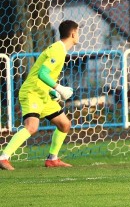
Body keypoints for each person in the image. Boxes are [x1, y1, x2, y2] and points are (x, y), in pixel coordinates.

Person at [0, 20, 80, 170]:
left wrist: (53, 91)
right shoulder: (57, 49)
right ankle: (3, 157)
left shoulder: (60, 50)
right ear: (73, 33)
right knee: (32, 126)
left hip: (43, 94)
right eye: (78, 32)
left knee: (64, 124)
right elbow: (43, 73)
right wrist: (60, 88)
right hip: (32, 92)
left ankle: (52, 159)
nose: (79, 35)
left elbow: (42, 73)